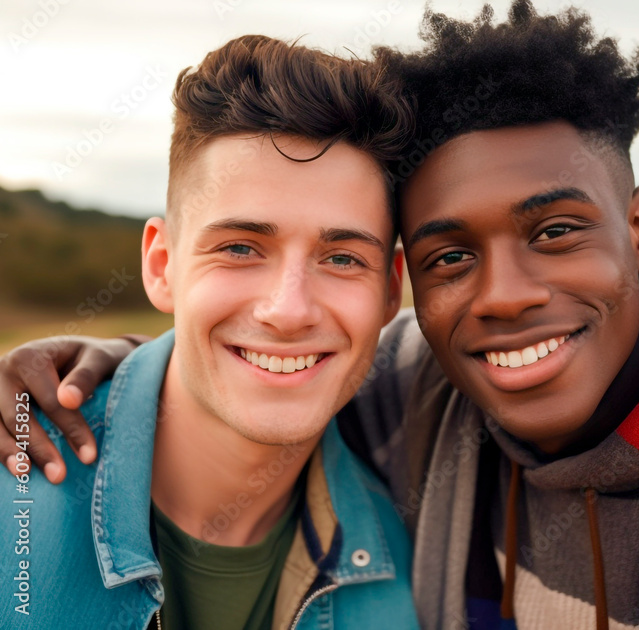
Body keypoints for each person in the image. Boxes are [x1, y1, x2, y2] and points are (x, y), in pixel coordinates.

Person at [4, 3, 639, 629]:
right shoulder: (414, 398)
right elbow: (261, 358)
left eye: (557, 231)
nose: (504, 293)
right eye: (448, 256)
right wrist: (102, 370)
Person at [0, 35, 419, 629]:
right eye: (242, 248)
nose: (289, 309)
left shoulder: (407, 570)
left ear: (389, 292)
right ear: (161, 265)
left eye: (343, 258)